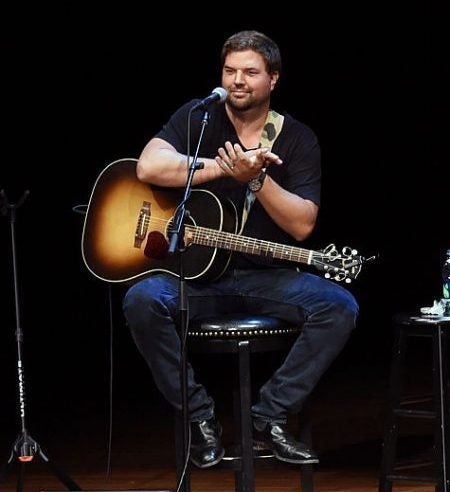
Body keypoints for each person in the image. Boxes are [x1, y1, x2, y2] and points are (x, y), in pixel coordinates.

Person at [123, 30, 358, 468]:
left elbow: (303, 224)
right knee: (141, 300)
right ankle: (199, 419)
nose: (238, 81)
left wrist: (256, 178)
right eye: (230, 71)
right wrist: (221, 168)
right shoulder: (199, 117)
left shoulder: (298, 139)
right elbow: (148, 165)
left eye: (250, 72)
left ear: (273, 78)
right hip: (196, 277)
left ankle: (269, 417)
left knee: (338, 307)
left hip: (266, 277)